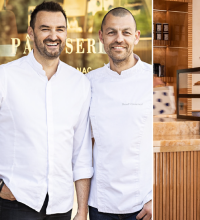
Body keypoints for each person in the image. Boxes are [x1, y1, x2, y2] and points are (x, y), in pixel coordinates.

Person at [0, 2, 93, 220]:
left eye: (60, 29)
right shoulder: (5, 77)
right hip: (16, 203)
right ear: (31, 33)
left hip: (60, 206)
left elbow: (81, 152)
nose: (54, 36)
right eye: (45, 29)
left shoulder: (79, 83)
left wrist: (82, 210)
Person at [86, 7, 152, 220]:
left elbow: (168, 144)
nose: (119, 39)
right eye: (112, 32)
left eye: (125, 32)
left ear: (137, 36)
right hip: (100, 203)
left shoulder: (156, 81)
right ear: (101, 36)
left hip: (144, 202)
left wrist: (158, 195)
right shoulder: (89, 83)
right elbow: (81, 144)